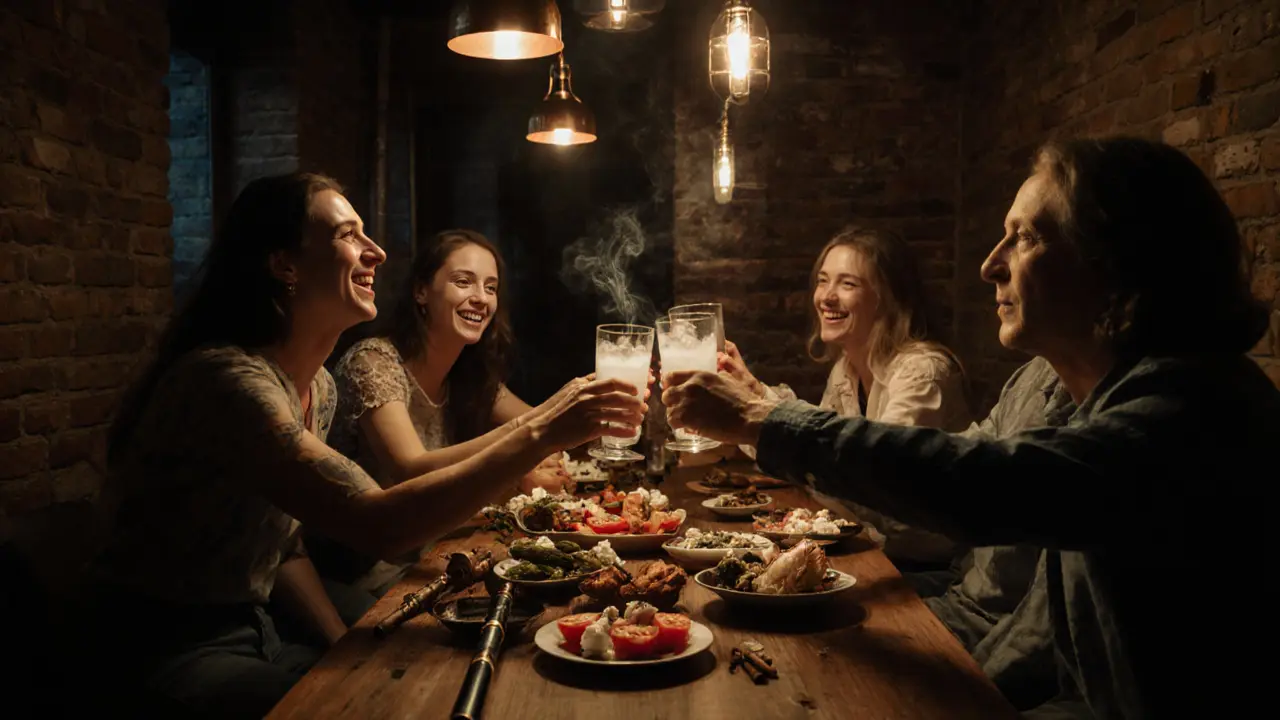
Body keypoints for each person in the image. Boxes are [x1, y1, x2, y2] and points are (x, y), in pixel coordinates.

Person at [662, 137, 1274, 719]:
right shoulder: (1068, 384)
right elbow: (966, 458)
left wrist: (764, 420)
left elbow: (988, 486)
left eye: (1025, 238)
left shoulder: (1192, 408)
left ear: (1116, 264)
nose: (989, 266)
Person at [80, 173, 644, 718]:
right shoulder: (227, 381)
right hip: (164, 646)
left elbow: (285, 548)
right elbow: (381, 523)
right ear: (285, 264)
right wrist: (543, 431)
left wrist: (340, 642)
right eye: (348, 235)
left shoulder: (316, 387)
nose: (375, 251)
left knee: (441, 675)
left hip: (260, 629)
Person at [312, 230, 572, 595]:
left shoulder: (469, 372)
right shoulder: (373, 361)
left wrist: (550, 439)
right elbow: (411, 468)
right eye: (463, 282)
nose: (480, 299)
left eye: (491, 287)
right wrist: (524, 450)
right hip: (359, 574)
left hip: (429, 559)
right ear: (421, 291)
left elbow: (546, 428)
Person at [722, 225, 971, 569]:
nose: (826, 296)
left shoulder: (924, 373)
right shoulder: (847, 370)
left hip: (927, 570)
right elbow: (818, 451)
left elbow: (873, 483)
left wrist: (753, 410)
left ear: (890, 298)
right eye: (823, 280)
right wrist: (751, 390)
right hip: (878, 552)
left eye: (848, 283)